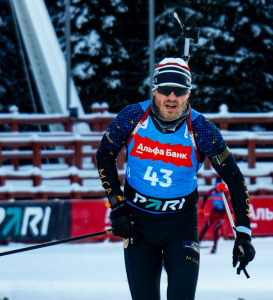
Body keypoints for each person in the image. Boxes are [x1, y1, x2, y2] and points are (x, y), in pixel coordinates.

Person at [96, 57, 255, 300]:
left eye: (180, 91)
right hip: (138, 225)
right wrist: (118, 206)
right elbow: (104, 155)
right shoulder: (132, 117)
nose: (172, 97)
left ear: (188, 94)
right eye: (165, 90)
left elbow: (234, 178)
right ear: (154, 90)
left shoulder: (202, 130)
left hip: (181, 226)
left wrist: (243, 233)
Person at [199, 177, 230, 254]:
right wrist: (202, 208)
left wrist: (231, 210)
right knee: (205, 227)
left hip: (222, 214)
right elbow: (205, 197)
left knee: (216, 229)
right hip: (214, 213)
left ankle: (215, 247)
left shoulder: (224, 192)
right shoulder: (212, 191)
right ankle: (197, 244)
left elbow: (229, 200)